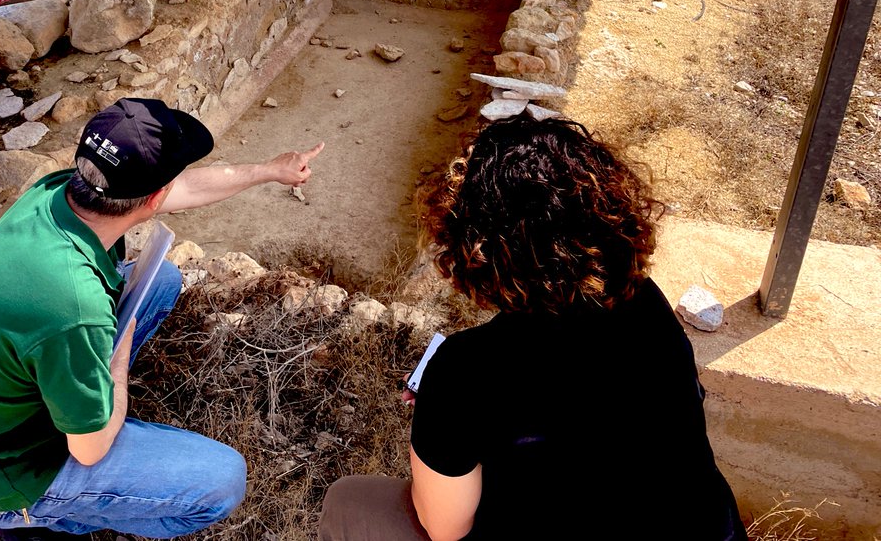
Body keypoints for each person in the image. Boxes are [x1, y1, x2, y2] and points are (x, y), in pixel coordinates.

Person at [319, 115, 747, 541]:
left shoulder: (466, 369)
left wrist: (443, 420)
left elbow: (445, 528)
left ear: (473, 249)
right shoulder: (643, 299)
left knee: (348, 501)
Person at [0, 97, 324, 539]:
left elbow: (185, 188)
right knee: (223, 479)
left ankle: (79, 408)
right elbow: (90, 449)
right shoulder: (74, 309)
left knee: (162, 279)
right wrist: (116, 367)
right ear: (153, 197)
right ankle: (29, 517)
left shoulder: (58, 190)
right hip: (1, 467)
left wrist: (269, 170)